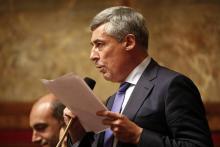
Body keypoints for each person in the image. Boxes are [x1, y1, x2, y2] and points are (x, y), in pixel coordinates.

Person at [64, 6, 213, 147]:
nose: (92, 56)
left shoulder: (173, 86)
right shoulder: (112, 100)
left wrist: (139, 136)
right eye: (93, 46)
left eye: (100, 44)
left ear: (129, 42)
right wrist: (77, 131)